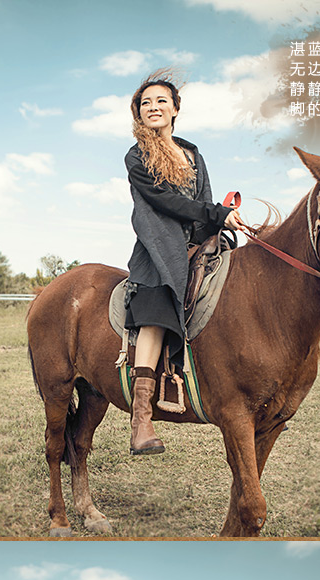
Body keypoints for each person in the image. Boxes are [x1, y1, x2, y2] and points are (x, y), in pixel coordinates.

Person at [125, 69, 233, 455]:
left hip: (197, 244)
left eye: (161, 101)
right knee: (156, 308)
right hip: (160, 247)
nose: (153, 107)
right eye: (146, 103)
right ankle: (140, 417)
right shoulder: (137, 156)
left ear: (175, 109)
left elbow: (203, 198)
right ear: (139, 113)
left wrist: (216, 225)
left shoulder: (192, 153)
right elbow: (166, 203)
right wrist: (215, 212)